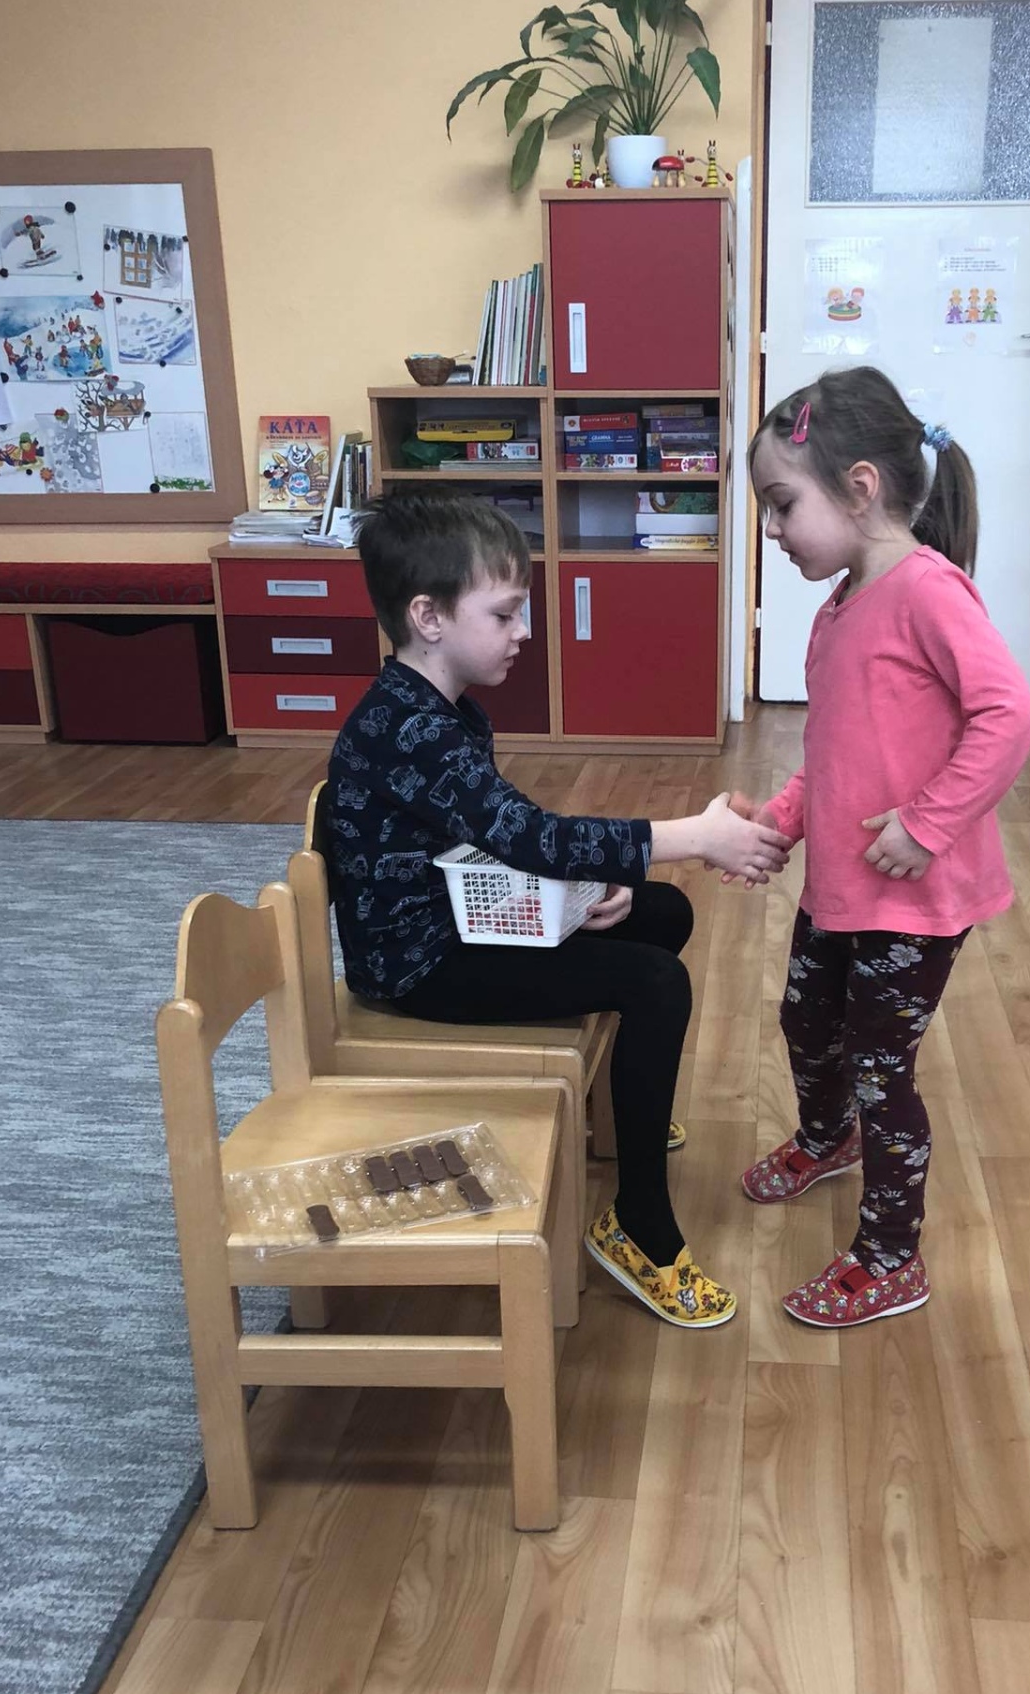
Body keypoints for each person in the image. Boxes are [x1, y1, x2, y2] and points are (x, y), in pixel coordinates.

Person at [327, 492, 791, 1330]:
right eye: (504, 613)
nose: (522, 632)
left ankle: (624, 1116)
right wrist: (695, 836)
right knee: (655, 983)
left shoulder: (441, 711)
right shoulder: (408, 730)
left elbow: (501, 838)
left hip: (459, 918)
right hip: (419, 966)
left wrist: (592, 882)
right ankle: (639, 1228)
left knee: (659, 914)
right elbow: (529, 836)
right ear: (428, 617)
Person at [741, 366, 1030, 1328]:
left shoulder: (928, 592)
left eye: (782, 504)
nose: (772, 529)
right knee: (804, 1022)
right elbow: (835, 750)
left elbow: (1009, 714)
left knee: (881, 1068)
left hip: (915, 903)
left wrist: (929, 822)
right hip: (840, 887)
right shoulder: (838, 611)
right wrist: (782, 818)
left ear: (860, 487)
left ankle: (890, 1255)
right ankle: (828, 1138)